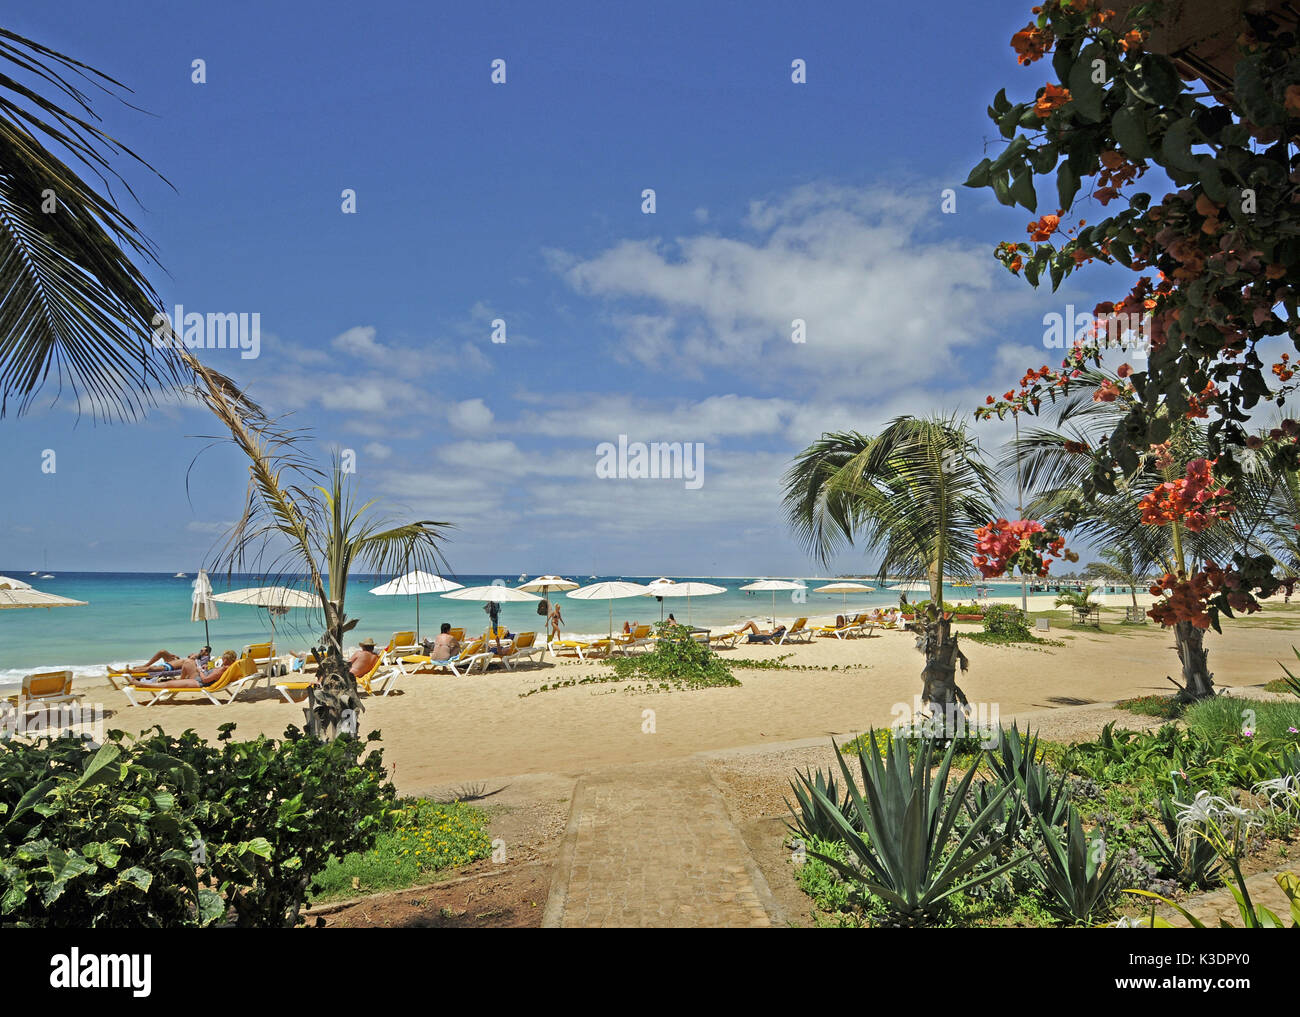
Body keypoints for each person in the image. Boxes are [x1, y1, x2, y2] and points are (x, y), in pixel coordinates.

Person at [136, 650, 236, 689]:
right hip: (200, 678)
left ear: (225, 659)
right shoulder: (228, 667)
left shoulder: (222, 669)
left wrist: (200, 670)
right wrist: (206, 668)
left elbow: (206, 680)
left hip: (199, 682)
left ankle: (143, 684)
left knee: (169, 684)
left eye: (223, 658)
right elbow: (213, 675)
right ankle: (181, 680)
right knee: (187, 662)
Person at [132, 645, 211, 673]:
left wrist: (194, 657)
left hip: (175, 666)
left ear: (206, 653)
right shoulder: (198, 655)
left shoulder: (205, 658)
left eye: (202, 650)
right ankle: (144, 665)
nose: (200, 651)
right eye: (200, 650)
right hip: (176, 662)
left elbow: (196, 666)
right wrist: (176, 657)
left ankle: (138, 669)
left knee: (152, 668)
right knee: (162, 652)